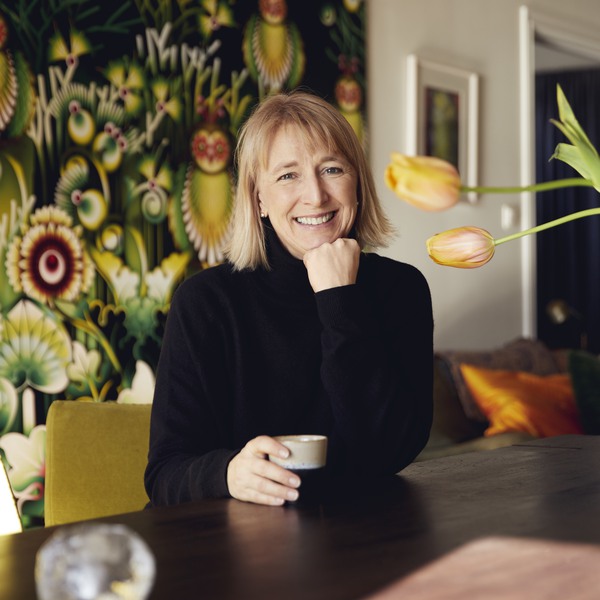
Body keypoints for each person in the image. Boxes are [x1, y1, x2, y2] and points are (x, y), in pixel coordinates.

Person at [145, 90, 433, 507]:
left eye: (331, 169)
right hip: (228, 536)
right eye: (287, 176)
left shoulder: (401, 289)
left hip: (362, 533)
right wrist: (228, 474)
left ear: (357, 183)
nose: (315, 195)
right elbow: (164, 474)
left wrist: (338, 300)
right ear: (258, 198)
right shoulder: (205, 302)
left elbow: (387, 452)